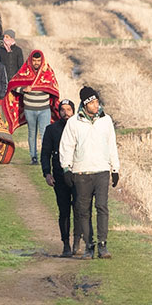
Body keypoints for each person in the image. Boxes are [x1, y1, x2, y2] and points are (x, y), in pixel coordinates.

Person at [60, 86, 120, 260]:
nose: (96, 105)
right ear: (85, 104)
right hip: (81, 172)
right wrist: (67, 168)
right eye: (92, 102)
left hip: (101, 170)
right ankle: (89, 246)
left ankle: (103, 245)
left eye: (97, 101)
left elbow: (111, 145)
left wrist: (115, 169)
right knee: (83, 211)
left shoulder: (106, 120)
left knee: (102, 207)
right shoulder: (74, 122)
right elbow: (67, 146)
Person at [41, 99, 87, 257]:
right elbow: (45, 153)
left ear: (74, 111)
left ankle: (77, 242)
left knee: (80, 210)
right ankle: (66, 244)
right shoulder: (52, 129)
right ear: (58, 111)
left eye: (68, 109)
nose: (65, 112)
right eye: (62, 109)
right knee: (64, 211)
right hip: (60, 176)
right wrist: (47, 173)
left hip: (79, 174)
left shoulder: (81, 128)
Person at [2, 50, 60, 165]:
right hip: (30, 109)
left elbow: (54, 88)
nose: (36, 63)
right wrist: (23, 89)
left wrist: (43, 87)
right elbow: (13, 85)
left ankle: (45, 157)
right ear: (30, 60)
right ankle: (33, 157)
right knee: (32, 133)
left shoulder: (47, 72)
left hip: (44, 109)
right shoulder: (25, 71)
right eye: (34, 60)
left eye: (38, 60)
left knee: (44, 133)